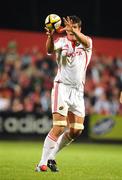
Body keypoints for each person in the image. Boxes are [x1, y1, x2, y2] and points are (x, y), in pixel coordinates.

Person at [35, 15, 92, 172]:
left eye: (75, 27)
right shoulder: (61, 42)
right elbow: (49, 50)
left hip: (78, 90)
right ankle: (42, 163)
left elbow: (86, 42)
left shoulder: (87, 43)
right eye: (69, 27)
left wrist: (74, 32)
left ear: (80, 29)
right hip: (62, 87)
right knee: (59, 126)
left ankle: (52, 156)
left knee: (77, 130)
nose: (71, 29)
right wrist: (50, 36)